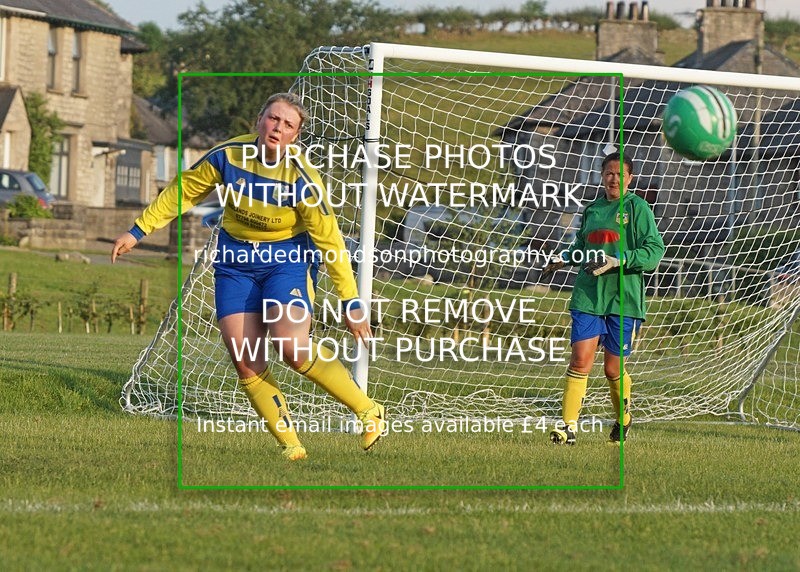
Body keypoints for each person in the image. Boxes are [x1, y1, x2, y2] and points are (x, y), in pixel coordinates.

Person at [112, 93, 385, 461]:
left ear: (296, 136)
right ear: (259, 120)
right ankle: (291, 446)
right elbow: (185, 190)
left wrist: (350, 301)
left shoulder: (303, 178)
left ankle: (369, 411)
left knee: (291, 346)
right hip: (235, 262)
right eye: (273, 119)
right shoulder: (227, 155)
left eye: (288, 125)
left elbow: (330, 240)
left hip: (287, 261)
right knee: (245, 357)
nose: (278, 128)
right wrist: (138, 230)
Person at [542, 151, 664, 444]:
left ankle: (623, 418)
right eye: (608, 173)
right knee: (580, 360)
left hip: (623, 299)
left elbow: (654, 252)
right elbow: (581, 246)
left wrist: (618, 260)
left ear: (630, 178)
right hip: (588, 294)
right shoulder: (592, 210)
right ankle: (568, 427)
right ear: (601, 176)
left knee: (612, 369)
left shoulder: (638, 209)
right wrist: (563, 258)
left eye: (620, 174)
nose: (613, 178)